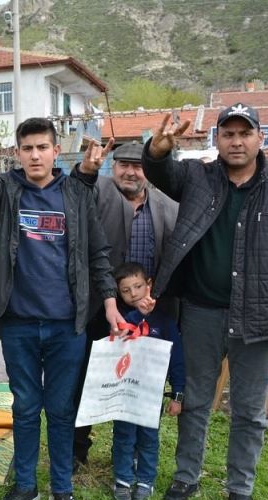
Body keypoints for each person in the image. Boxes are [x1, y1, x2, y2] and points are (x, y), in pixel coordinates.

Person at [142, 103, 268, 500]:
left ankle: (240, 487)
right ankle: (186, 477)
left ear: (260, 138)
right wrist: (158, 151)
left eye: (244, 133)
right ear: (216, 139)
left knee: (250, 411)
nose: (236, 141)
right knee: (196, 399)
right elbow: (160, 173)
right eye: (228, 134)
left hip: (260, 317)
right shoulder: (197, 177)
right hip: (201, 311)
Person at [0, 119, 121, 500]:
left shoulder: (76, 194)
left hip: (68, 325)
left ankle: (62, 488)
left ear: (54, 152)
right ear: (17, 153)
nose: (34, 155)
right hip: (19, 325)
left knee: (62, 410)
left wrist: (111, 304)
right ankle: (26, 485)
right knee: (26, 406)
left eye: (42, 147)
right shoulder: (8, 190)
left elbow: (98, 254)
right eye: (27, 148)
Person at [70, 141, 179, 467]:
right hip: (98, 311)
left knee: (142, 381)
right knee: (85, 381)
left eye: (138, 165)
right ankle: (77, 450)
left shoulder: (166, 206)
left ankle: (135, 454)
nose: (130, 171)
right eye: (123, 165)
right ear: (111, 167)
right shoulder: (96, 193)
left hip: (147, 313)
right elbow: (75, 191)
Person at [110, 262, 184, 500]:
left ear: (149, 285)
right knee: (123, 435)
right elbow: (123, 332)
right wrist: (140, 315)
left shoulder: (165, 322)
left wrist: (178, 394)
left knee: (148, 438)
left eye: (138, 286)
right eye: (126, 290)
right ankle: (122, 480)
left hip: (151, 395)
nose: (134, 294)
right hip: (125, 393)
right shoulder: (119, 318)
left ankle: (145, 481)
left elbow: (176, 359)